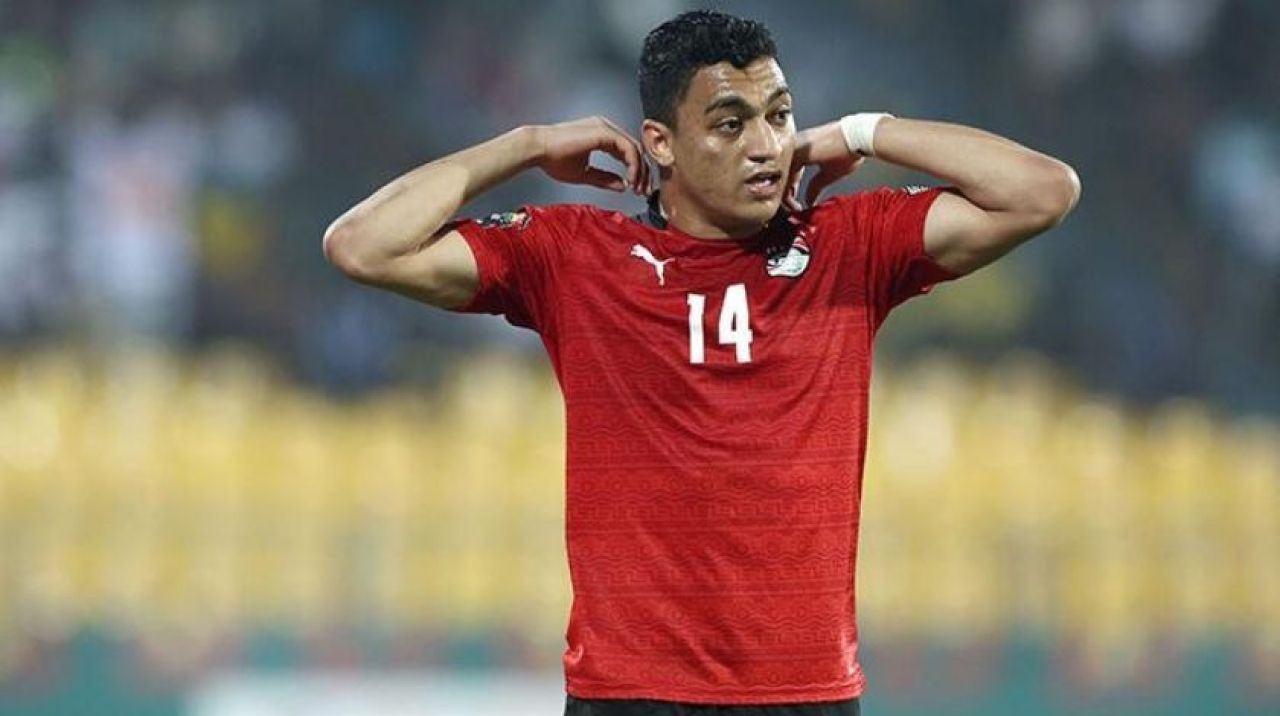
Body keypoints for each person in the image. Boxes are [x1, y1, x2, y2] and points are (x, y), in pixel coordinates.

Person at [323, 9, 1079, 716]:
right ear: (661, 144)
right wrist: (526, 143)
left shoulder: (848, 246)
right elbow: (363, 245)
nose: (766, 146)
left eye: (779, 115)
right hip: (631, 693)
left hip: (805, 692)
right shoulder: (577, 257)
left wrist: (864, 130)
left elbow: (1042, 192)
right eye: (729, 123)